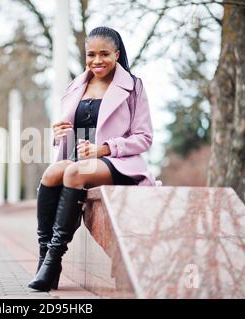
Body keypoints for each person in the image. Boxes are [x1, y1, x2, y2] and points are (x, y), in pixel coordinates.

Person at [28, 26, 157, 292]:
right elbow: (69, 132)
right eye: (91, 55)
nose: (97, 61)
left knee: (74, 173)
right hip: (80, 160)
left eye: (104, 54)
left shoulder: (133, 86)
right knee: (53, 172)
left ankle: (53, 260)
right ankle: (44, 260)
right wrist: (58, 133)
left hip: (119, 164)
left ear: (117, 54)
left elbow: (144, 138)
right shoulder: (76, 85)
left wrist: (105, 149)